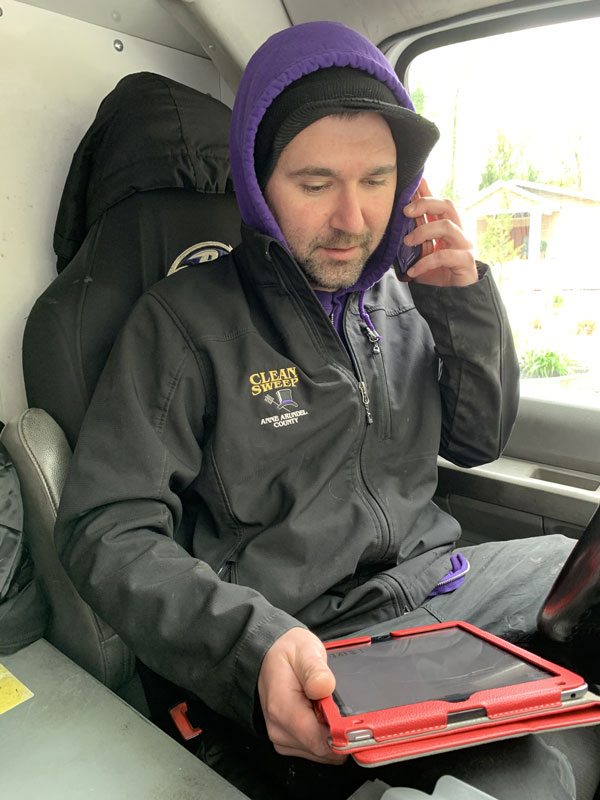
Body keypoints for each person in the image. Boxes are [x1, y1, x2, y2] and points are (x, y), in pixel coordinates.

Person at [55, 20, 593, 800]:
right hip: (307, 635)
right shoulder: (182, 322)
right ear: (257, 181)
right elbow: (106, 528)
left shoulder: (409, 297)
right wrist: (253, 646)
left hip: (444, 589)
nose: (352, 218)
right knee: (519, 780)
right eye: (315, 184)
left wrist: (464, 305)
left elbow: (477, 443)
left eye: (377, 181)